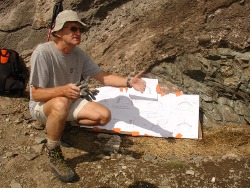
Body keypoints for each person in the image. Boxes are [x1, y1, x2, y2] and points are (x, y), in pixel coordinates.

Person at [29, 10, 146, 182]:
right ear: (58, 32)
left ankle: (61, 124)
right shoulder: (43, 52)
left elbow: (103, 76)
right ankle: (53, 151)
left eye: (80, 30)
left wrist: (129, 82)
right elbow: (36, 94)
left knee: (104, 116)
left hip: (68, 101)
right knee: (61, 103)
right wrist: (62, 91)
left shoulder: (79, 54)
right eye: (73, 28)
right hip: (43, 105)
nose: (78, 33)